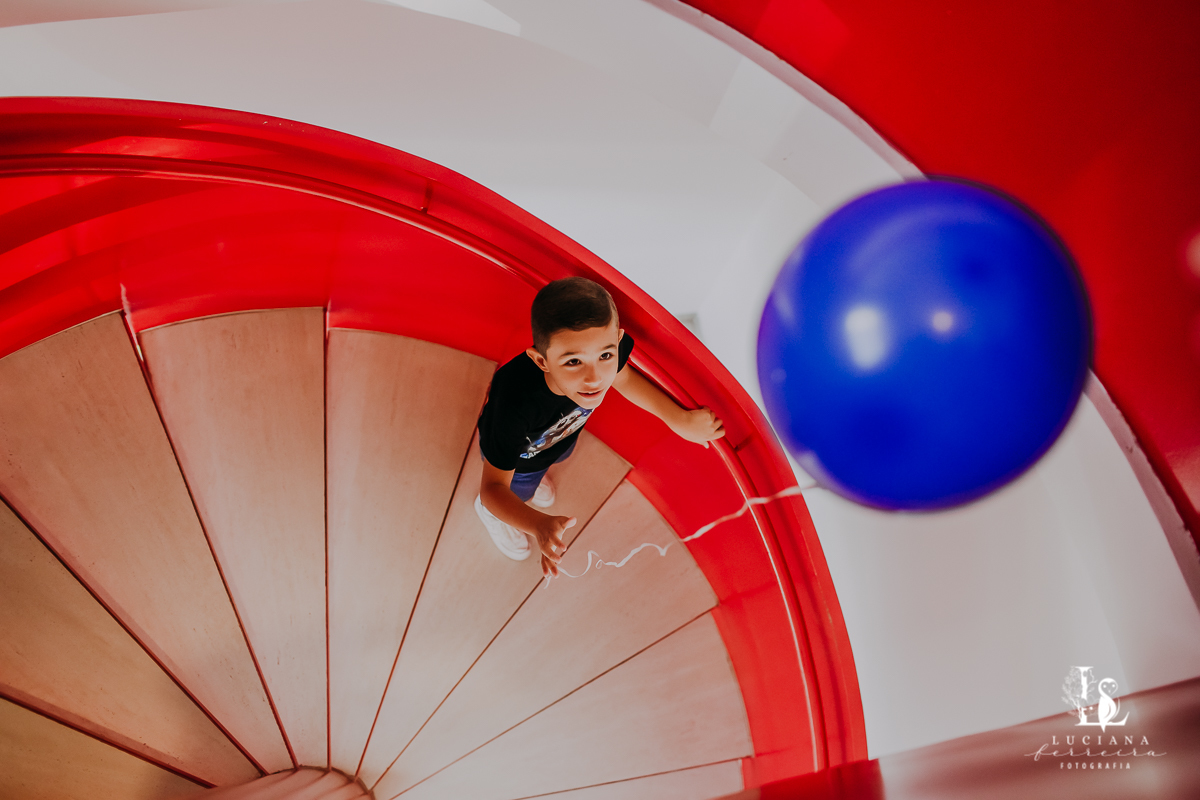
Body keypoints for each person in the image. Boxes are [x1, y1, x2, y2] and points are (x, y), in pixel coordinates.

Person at [475, 277, 725, 577]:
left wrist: (679, 419)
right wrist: (536, 523)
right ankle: (494, 517)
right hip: (518, 459)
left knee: (556, 456)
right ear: (542, 361)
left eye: (605, 356)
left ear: (617, 343)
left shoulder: (604, 363)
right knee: (518, 491)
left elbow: (625, 379)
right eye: (573, 362)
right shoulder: (515, 404)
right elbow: (492, 488)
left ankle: (533, 480)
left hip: (555, 441)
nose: (594, 378)